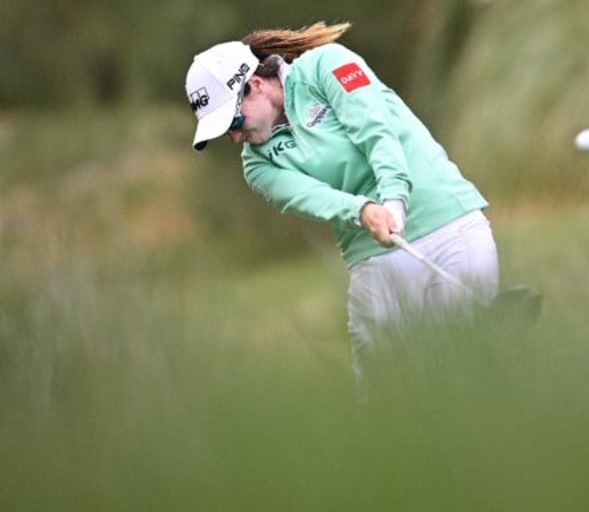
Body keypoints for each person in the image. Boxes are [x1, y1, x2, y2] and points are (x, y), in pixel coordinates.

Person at [184, 22, 499, 373]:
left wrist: (395, 200)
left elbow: (376, 130)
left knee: (458, 367)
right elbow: (312, 197)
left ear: (255, 86)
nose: (234, 137)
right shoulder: (257, 165)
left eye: (233, 122)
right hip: (373, 258)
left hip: (450, 226)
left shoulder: (326, 66)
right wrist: (364, 210)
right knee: (382, 394)